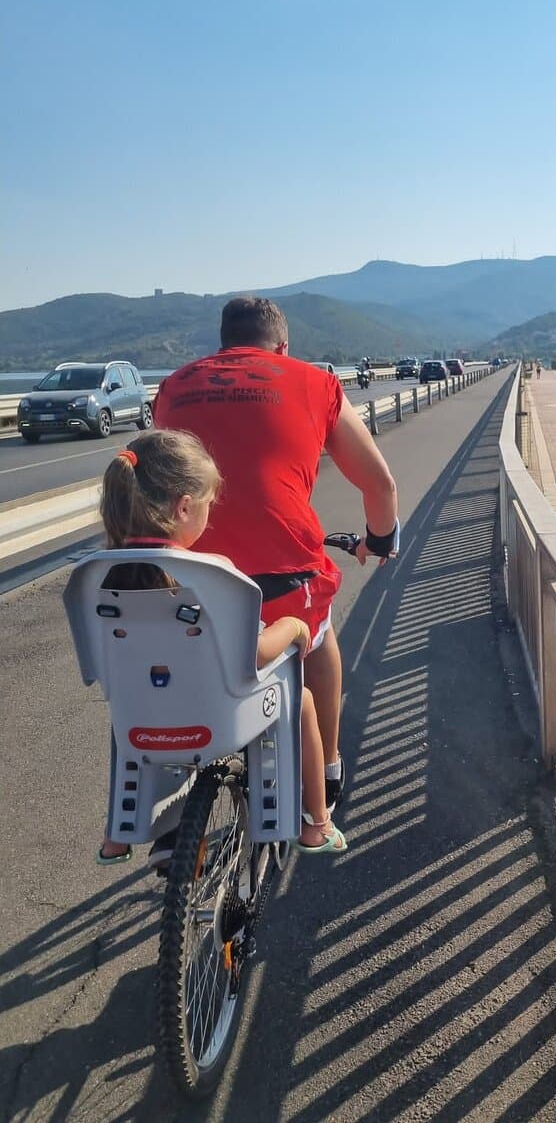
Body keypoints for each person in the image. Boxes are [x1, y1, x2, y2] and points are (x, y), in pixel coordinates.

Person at [153, 297, 398, 818]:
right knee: (319, 635)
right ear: (283, 346)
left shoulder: (174, 385)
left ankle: (181, 775)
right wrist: (379, 540)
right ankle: (327, 770)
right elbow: (380, 485)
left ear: (222, 345)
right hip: (280, 576)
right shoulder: (312, 381)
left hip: (186, 576)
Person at [95, 429, 345, 862]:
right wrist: (293, 627)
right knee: (302, 702)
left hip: (142, 717)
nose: (210, 517)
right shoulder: (212, 573)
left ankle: (117, 837)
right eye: (208, 505)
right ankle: (317, 824)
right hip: (218, 716)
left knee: (125, 709)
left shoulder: (94, 577)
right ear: (184, 507)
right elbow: (257, 652)